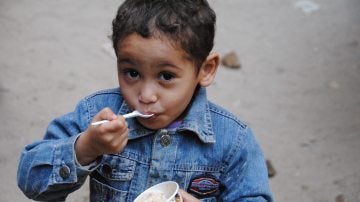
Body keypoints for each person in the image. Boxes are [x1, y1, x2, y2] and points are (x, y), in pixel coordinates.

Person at [17, 0, 273, 201]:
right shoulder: (96, 115)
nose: (146, 96)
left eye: (166, 76)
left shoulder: (233, 141)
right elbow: (30, 181)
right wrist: (86, 148)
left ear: (205, 70)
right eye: (132, 73)